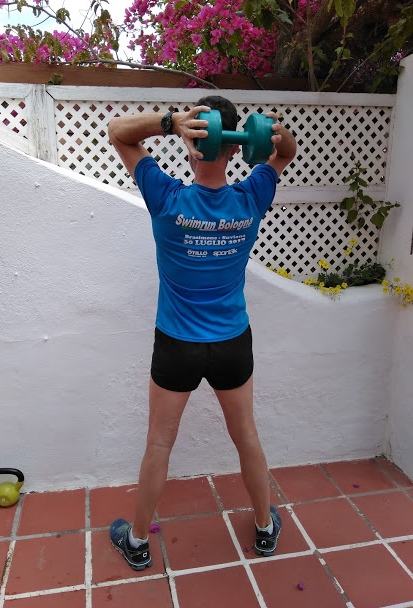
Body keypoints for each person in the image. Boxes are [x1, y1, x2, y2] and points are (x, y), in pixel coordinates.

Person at [105, 96, 297, 571]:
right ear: (234, 149)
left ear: (192, 143)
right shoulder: (251, 197)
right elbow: (285, 152)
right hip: (233, 343)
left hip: (177, 346)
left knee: (158, 444)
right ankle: (265, 528)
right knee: (246, 437)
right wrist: (273, 135)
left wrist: (169, 123)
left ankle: (136, 541)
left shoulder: (165, 198)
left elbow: (117, 131)